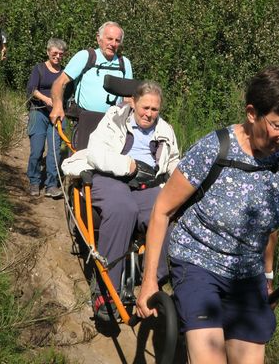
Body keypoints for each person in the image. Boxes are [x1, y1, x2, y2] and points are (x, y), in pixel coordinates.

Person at [136, 67, 279, 364]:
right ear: (252, 113)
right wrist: (149, 280)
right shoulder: (214, 149)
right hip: (198, 263)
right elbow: (162, 210)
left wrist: (268, 275)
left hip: (247, 276)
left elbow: (269, 226)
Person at [61, 81, 179, 321]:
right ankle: (106, 286)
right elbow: (96, 153)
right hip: (111, 175)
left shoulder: (165, 130)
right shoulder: (114, 119)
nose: (149, 114)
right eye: (145, 107)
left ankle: (154, 283)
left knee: (166, 213)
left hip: (148, 183)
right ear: (133, 103)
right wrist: (129, 166)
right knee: (123, 209)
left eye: (154, 109)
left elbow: (175, 162)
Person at [49, 21, 133, 150]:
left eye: (117, 40)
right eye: (109, 39)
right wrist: (57, 107)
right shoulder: (86, 56)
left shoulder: (124, 63)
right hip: (85, 121)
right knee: (80, 164)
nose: (113, 44)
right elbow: (59, 83)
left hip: (114, 125)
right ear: (98, 38)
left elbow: (129, 97)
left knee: (107, 167)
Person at [26, 38, 68, 198]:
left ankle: (52, 184)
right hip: (39, 111)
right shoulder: (39, 69)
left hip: (57, 115)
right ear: (48, 52)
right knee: (37, 150)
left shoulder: (65, 73)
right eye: (54, 53)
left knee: (55, 152)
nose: (57, 56)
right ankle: (34, 181)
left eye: (61, 54)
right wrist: (47, 99)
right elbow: (32, 89)